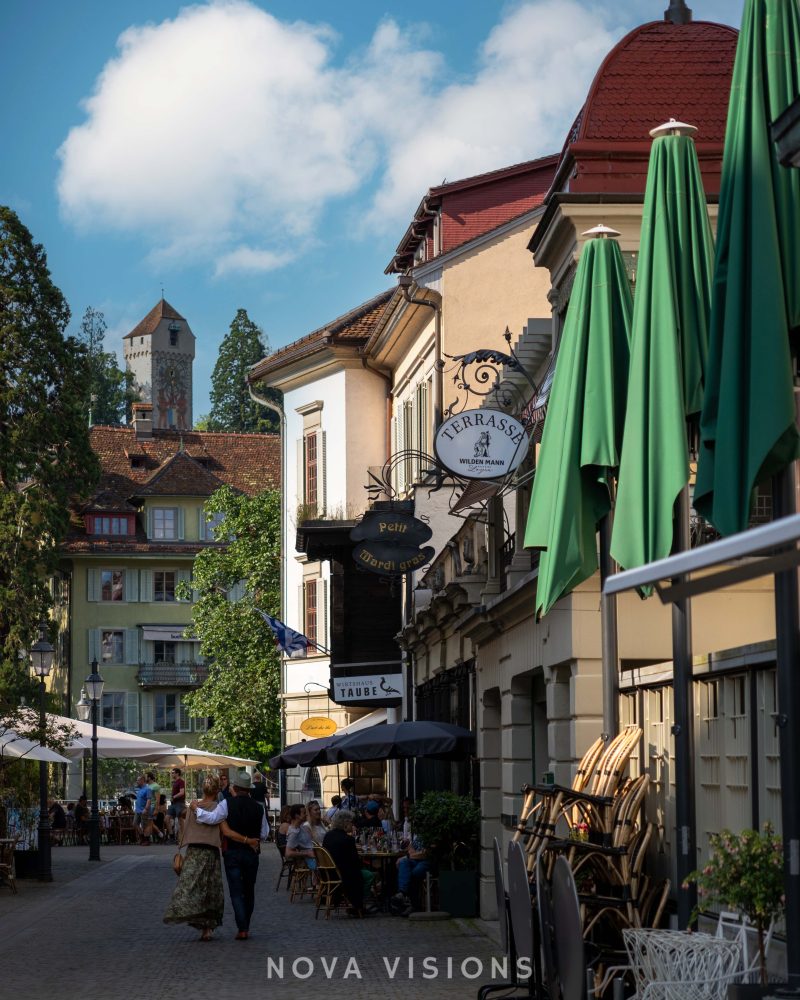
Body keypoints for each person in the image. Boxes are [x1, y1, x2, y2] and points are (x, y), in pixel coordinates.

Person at [194, 773, 264, 940]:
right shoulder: (258, 807)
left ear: (236, 788)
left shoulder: (226, 803)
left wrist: (195, 809)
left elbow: (211, 818)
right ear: (249, 789)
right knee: (249, 890)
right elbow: (264, 832)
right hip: (251, 853)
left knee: (235, 891)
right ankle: (245, 924)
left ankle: (242, 928)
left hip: (232, 852)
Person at [163, 774, 225, 942]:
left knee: (191, 888)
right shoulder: (218, 808)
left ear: (203, 789)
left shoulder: (192, 808)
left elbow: (184, 828)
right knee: (210, 891)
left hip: (194, 852)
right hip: (211, 852)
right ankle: (208, 928)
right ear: (217, 790)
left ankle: (193, 919)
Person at [322, 810, 375, 915]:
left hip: (328, 873)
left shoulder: (328, 835)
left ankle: (353, 903)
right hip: (344, 875)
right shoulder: (348, 839)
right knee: (369, 875)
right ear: (345, 823)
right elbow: (355, 862)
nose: (353, 824)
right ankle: (359, 905)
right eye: (351, 822)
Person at [392, 835, 430, 916]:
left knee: (414, 872)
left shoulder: (430, 833)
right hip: (415, 860)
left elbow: (425, 854)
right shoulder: (417, 835)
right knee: (403, 863)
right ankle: (402, 893)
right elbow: (411, 851)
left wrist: (411, 855)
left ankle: (414, 904)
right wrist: (408, 856)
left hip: (426, 861)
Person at [285, 804, 317, 872]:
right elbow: (288, 853)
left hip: (314, 854)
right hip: (312, 858)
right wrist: (307, 853)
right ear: (297, 816)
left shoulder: (301, 826)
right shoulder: (294, 832)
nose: (306, 815)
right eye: (304, 813)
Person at [133, 774, 153, 845]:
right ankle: (142, 838)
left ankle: (147, 840)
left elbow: (149, 800)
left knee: (145, 825)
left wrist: (146, 808)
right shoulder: (140, 789)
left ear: (142, 780)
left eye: (138, 780)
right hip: (137, 810)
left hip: (144, 810)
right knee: (135, 824)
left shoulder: (148, 789)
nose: (137, 782)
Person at [167, 767, 186, 841]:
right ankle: (172, 836)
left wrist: (174, 796)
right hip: (173, 803)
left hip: (179, 803)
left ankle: (184, 837)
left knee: (180, 820)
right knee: (166, 819)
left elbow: (182, 792)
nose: (172, 774)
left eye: (173, 772)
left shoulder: (181, 781)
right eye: (172, 773)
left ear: (177, 773)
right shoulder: (174, 782)